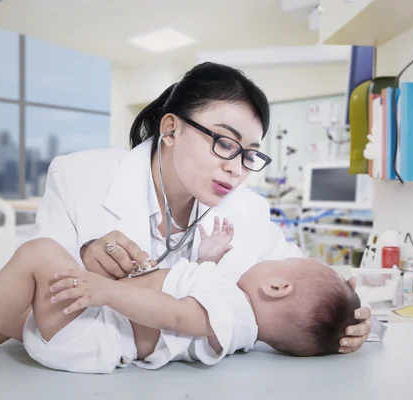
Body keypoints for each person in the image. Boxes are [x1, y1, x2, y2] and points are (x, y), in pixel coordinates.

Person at [28, 61, 373, 352]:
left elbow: (297, 282)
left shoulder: (247, 209)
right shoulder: (80, 176)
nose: (236, 168)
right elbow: (30, 292)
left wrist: (346, 320)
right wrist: (85, 257)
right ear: (171, 129)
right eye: (225, 143)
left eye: (249, 154)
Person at [0, 223, 360, 373]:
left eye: (281, 264)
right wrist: (206, 258)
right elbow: (197, 290)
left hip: (90, 335)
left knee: (41, 254)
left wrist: (108, 290)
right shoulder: (233, 302)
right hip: (83, 328)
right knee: (22, 311)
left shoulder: (234, 311)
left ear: (277, 287)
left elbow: (179, 314)